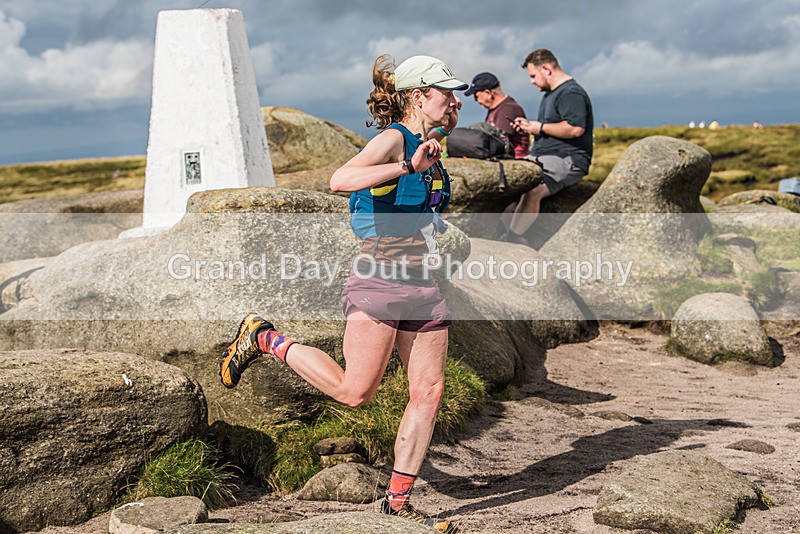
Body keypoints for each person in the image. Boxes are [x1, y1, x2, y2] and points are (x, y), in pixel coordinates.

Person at [219, 54, 466, 533]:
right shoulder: (395, 139)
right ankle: (265, 337)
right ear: (418, 96)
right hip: (381, 276)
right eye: (445, 92)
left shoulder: (433, 144)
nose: (454, 100)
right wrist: (403, 166)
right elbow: (340, 180)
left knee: (429, 392)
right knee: (356, 392)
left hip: (422, 280)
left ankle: (397, 504)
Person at [502, 48, 594, 245]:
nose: (532, 81)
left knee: (533, 190)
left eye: (533, 75)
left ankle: (513, 238)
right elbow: (550, 128)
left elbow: (575, 128)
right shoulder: (550, 94)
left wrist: (540, 127)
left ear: (546, 68)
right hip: (542, 155)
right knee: (509, 184)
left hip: (567, 158)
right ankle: (503, 233)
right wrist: (529, 127)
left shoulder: (571, 93)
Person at [464, 72, 529, 158]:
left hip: (514, 161)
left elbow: (499, 142)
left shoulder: (508, 109)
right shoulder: (495, 109)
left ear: (488, 93)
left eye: (476, 96)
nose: (476, 100)